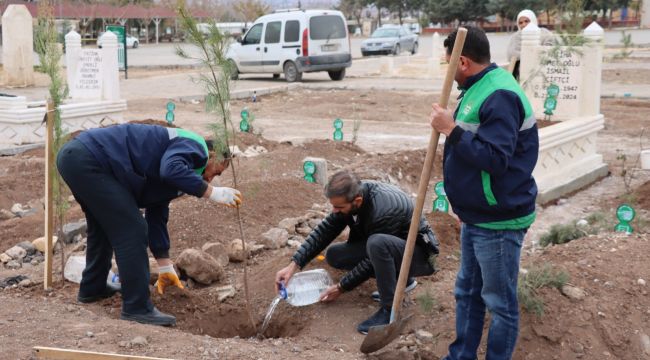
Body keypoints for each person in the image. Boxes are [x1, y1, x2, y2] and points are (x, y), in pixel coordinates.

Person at [57, 123, 242, 327]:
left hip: (77, 157)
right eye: (216, 172)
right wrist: (212, 192)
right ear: (213, 154)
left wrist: (165, 267)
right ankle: (137, 308)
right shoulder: (196, 148)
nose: (210, 178)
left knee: (102, 227)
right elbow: (170, 169)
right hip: (89, 158)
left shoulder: (179, 165)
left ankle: (93, 287)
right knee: (132, 229)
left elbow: (157, 212)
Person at [430, 26, 539, 359]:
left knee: (499, 303)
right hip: (478, 217)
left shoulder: (500, 95)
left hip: (499, 221)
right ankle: (460, 355)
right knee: (467, 293)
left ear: (462, 61)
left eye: (448, 63)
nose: (446, 70)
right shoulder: (477, 88)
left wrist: (451, 129)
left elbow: (495, 160)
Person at [274, 170, 439, 334]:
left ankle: (390, 311)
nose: (334, 211)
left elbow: (370, 262)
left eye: (338, 207)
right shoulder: (353, 197)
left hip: (420, 256)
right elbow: (324, 231)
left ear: (357, 201)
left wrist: (341, 287)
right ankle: (403, 281)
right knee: (334, 255)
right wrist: (294, 265)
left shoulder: (384, 210)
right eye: (333, 205)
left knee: (377, 244)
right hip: (396, 248)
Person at [507, 9, 554, 80]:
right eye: (520, 22)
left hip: (542, 71)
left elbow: (550, 51)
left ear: (533, 20)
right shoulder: (515, 37)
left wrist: (533, 52)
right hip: (522, 74)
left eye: (526, 21)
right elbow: (511, 56)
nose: (524, 24)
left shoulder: (545, 34)